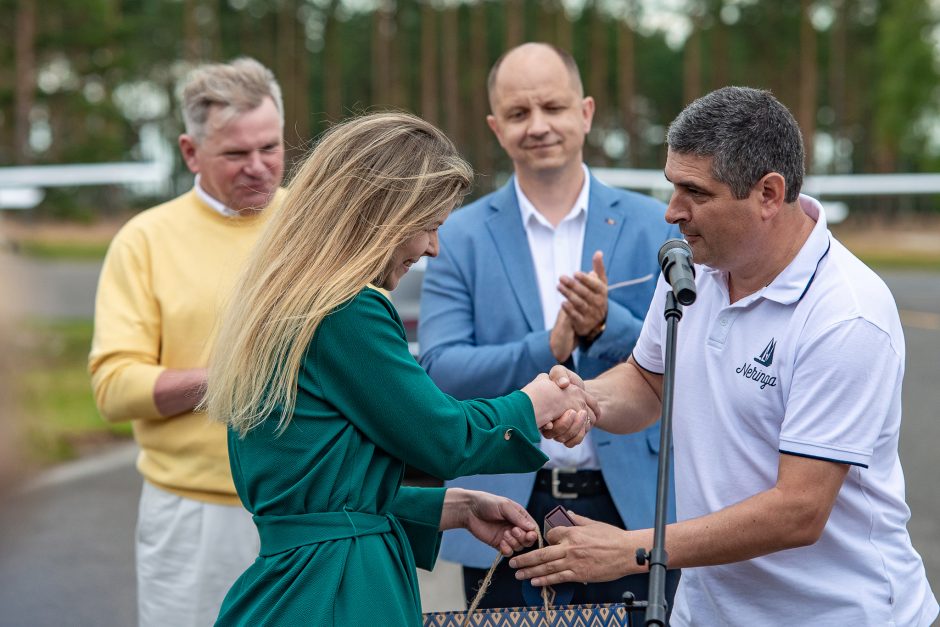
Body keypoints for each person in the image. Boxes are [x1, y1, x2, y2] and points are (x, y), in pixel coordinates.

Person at [511, 86, 940, 626]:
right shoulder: (696, 269)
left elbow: (799, 511)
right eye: (672, 186)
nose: (672, 212)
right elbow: (649, 384)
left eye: (695, 192)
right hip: (708, 612)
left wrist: (634, 550)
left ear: (768, 193)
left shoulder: (847, 314)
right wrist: (587, 399)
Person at [202, 112, 599, 627]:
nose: (433, 248)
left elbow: (321, 490)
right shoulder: (348, 310)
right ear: (380, 214)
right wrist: (536, 400)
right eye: (429, 226)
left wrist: (451, 508)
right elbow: (442, 437)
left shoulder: (289, 304)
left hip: (300, 583)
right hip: (340, 589)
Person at [419, 42, 680, 607]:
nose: (538, 126)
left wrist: (607, 326)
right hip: (505, 511)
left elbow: (686, 359)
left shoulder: (655, 224)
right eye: (518, 113)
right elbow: (438, 371)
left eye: (553, 108)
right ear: (495, 127)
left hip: (632, 503)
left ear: (585, 113)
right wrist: (551, 345)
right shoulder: (457, 236)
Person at [88, 58, 286, 626]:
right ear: (190, 152)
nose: (258, 168)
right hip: (194, 517)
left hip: (313, 508)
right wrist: (229, 380)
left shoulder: (316, 225)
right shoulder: (144, 242)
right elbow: (113, 387)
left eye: (270, 147)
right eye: (235, 154)